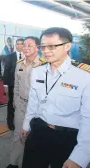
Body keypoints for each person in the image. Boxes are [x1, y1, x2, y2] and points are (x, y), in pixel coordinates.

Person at [21, 27, 90, 168]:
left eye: (52, 46)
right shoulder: (38, 71)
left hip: (67, 139)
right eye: (43, 47)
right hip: (38, 131)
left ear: (67, 46)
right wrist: (26, 125)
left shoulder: (84, 76)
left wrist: (79, 157)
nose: (45, 51)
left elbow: (88, 119)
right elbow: (33, 102)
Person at [7, 36, 45, 168]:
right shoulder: (20, 63)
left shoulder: (45, 64)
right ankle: (13, 163)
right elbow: (16, 85)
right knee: (18, 134)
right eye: (24, 45)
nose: (26, 48)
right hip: (22, 105)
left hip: (38, 109)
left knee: (33, 137)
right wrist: (16, 102)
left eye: (29, 45)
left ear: (37, 47)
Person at [3, 38, 24, 130]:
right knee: (11, 104)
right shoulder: (10, 56)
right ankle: (10, 122)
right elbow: (6, 71)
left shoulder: (27, 56)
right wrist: (5, 85)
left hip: (24, 85)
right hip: (12, 85)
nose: (19, 46)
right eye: (17, 44)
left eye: (21, 44)